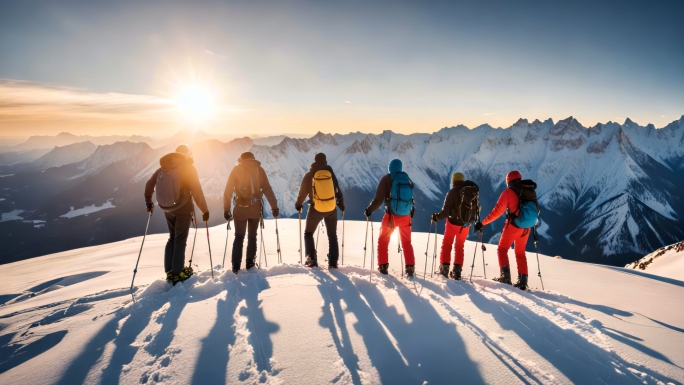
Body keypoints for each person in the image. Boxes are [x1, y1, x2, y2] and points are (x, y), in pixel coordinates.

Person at [144, 144, 209, 284]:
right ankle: (178, 272)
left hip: (167, 208)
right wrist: (204, 210)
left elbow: (149, 185)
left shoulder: (164, 167)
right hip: (183, 208)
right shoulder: (188, 168)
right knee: (180, 239)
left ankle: (170, 270)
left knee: (172, 238)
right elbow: (197, 190)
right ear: (188, 155)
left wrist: (149, 203)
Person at [475, 170, 536, 290]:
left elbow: (497, 212)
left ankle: (505, 277)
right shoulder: (529, 191)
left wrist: (482, 223)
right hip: (527, 227)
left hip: (513, 226)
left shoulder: (508, 192)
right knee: (520, 253)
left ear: (508, 181)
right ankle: (523, 282)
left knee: (502, 249)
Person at [223, 151, 279, 274]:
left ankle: (236, 266)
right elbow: (267, 189)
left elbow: (228, 190)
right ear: (253, 159)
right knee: (252, 236)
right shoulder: (259, 170)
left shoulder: (236, 169)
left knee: (239, 237)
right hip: (255, 209)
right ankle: (250, 263)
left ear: (241, 160)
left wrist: (226, 209)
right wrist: (274, 207)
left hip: (240, 209)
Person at [365, 159, 416, 277]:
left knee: (383, 240)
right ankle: (410, 267)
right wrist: (411, 212)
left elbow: (378, 199)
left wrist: (369, 210)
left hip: (391, 216)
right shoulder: (407, 179)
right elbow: (411, 199)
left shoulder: (387, 179)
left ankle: (383, 266)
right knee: (407, 242)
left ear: (390, 167)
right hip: (406, 216)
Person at [295, 153, 345, 268]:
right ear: (325, 161)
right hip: (331, 208)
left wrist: (298, 204)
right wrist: (341, 204)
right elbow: (337, 189)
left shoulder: (310, 175)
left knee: (308, 233)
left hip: (316, 209)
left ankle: (311, 259)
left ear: (315, 161)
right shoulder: (330, 174)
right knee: (332, 235)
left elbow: (302, 193)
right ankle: (333, 261)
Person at [430, 172, 479, 280]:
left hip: (452, 223)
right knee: (459, 246)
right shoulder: (471, 192)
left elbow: (445, 211)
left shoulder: (452, 192)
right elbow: (475, 209)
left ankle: (444, 269)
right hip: (465, 225)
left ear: (453, 181)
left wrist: (436, 217)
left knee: (447, 244)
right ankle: (457, 272)